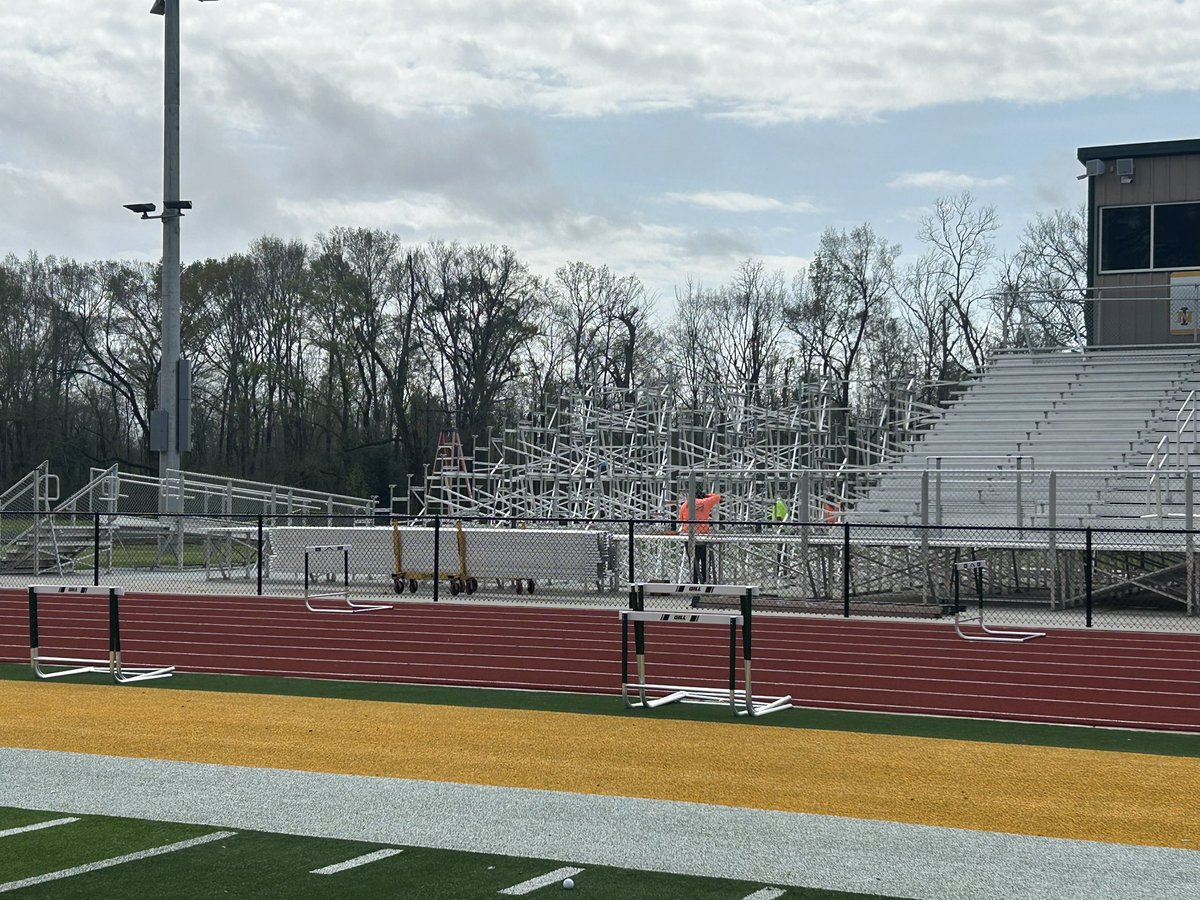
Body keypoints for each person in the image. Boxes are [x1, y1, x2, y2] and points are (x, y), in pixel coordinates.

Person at [679, 489, 721, 583]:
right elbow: (718, 497)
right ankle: (705, 580)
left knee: (692, 560)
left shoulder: (685, 505)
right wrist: (706, 495)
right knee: (705, 559)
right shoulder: (705, 502)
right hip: (703, 535)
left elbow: (681, 519)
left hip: (689, 535)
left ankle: (694, 581)